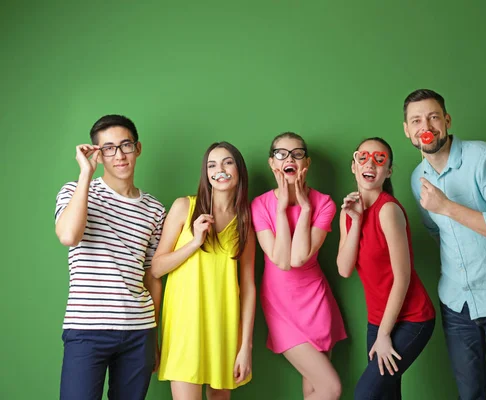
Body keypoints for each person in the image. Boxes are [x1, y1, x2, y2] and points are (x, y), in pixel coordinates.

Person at [403, 88, 486, 400]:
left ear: (446, 120)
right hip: (456, 304)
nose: (427, 126)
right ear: (407, 130)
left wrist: (447, 206)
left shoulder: (483, 157)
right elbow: (437, 233)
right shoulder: (416, 178)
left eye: (434, 117)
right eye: (417, 120)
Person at [55, 114, 165, 400]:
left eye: (125, 145)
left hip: (139, 331)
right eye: (108, 148)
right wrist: (84, 175)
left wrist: (154, 335)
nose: (119, 155)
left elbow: (152, 274)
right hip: (87, 328)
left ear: (137, 149)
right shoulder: (76, 191)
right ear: (98, 155)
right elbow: (69, 236)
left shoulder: (155, 209)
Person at [151, 142, 256, 400]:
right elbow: (156, 268)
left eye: (227, 162)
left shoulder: (245, 223)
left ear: (239, 169)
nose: (219, 169)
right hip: (184, 328)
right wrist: (195, 242)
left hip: (225, 327)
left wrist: (246, 347)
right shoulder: (184, 207)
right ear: (206, 173)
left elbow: (249, 287)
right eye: (212, 165)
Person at [337, 137, 436, 399]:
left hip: (413, 319)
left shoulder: (388, 211)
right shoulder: (348, 212)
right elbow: (344, 268)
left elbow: (402, 278)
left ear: (388, 171)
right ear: (354, 165)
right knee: (387, 395)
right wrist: (356, 220)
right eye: (363, 157)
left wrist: (383, 335)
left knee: (365, 395)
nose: (370, 163)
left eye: (379, 159)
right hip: (378, 319)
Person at [251, 132, 347, 400]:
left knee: (314, 390)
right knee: (331, 389)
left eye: (297, 153)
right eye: (281, 154)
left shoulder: (323, 203)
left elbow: (300, 257)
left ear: (307, 163)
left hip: (316, 302)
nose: (289, 159)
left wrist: (305, 209)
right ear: (272, 163)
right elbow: (282, 261)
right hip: (280, 307)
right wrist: (282, 209)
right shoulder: (260, 206)